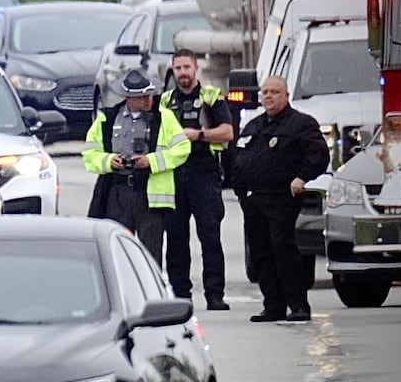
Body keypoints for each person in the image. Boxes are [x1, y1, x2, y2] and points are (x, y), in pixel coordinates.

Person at [231, 76, 330, 323]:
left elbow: (318, 155)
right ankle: (273, 305)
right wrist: (242, 193)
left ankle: (298, 305)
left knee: (283, 251)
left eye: (274, 92)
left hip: (282, 198)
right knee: (261, 254)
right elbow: (238, 159)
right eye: (264, 92)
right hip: (255, 201)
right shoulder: (254, 126)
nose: (268, 96)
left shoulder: (301, 124)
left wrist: (302, 177)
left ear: (286, 96)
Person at [84, 68, 192, 262]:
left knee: (151, 255)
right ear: (129, 98)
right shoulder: (107, 119)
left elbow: (182, 149)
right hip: (118, 194)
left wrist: (151, 161)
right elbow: (90, 154)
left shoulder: (164, 118)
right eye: (142, 97)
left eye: (149, 95)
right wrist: (110, 162)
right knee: (116, 251)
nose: (148, 101)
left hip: (149, 197)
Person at [160, 49, 236, 309]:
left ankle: (215, 295)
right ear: (173, 71)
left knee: (210, 237)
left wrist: (199, 135)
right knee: (176, 238)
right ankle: (181, 295)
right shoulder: (165, 101)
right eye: (178, 68)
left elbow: (227, 132)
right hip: (174, 175)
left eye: (186, 67)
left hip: (204, 173)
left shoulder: (210, 96)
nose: (182, 73)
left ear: (196, 69)